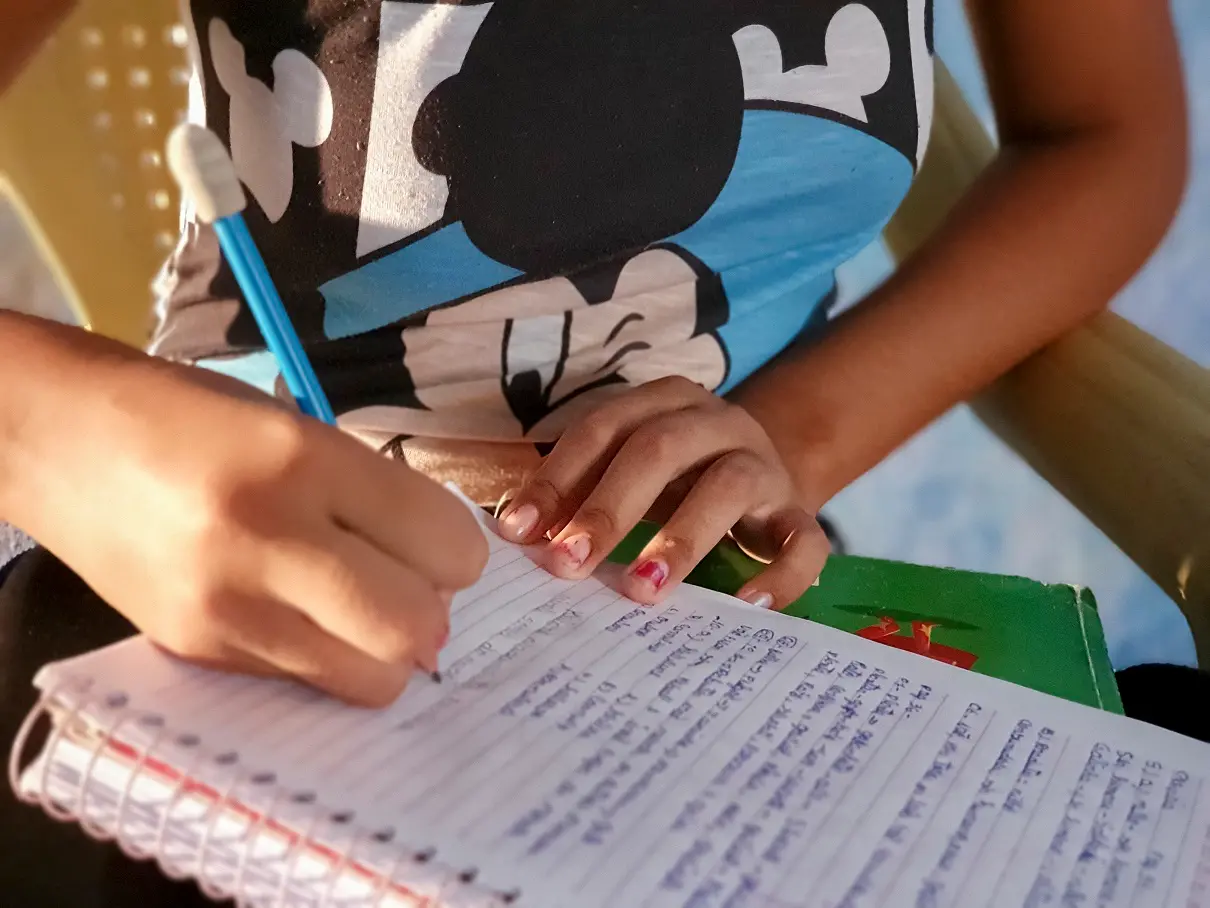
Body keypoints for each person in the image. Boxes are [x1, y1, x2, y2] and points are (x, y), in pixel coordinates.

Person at [0, 1, 1189, 710]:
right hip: (223, 575)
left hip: (701, 629)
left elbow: (1105, 135)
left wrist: (791, 431)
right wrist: (65, 434)